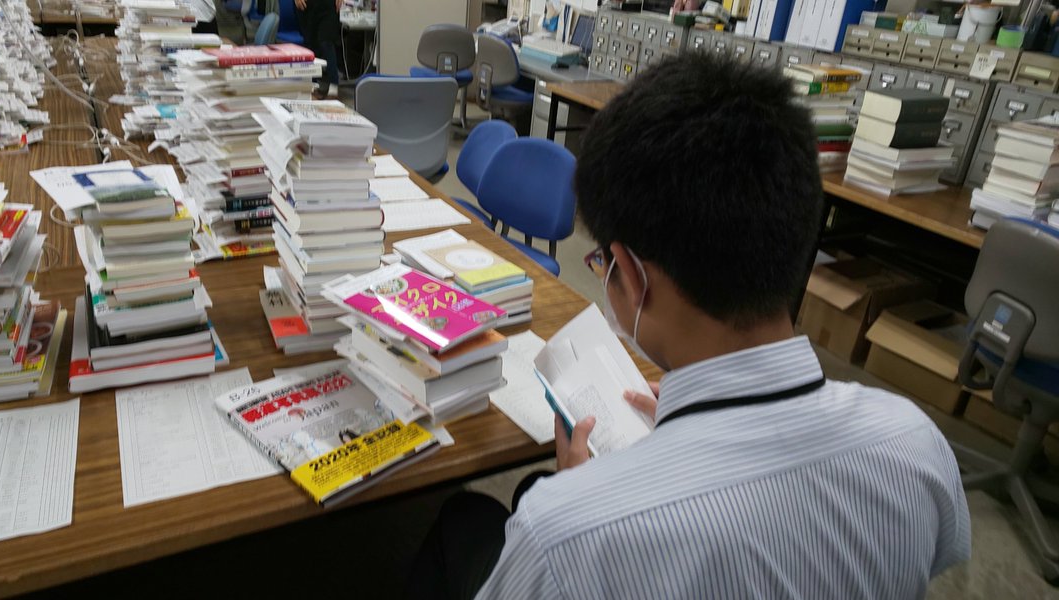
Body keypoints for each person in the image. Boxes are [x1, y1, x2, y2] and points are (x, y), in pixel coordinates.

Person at [406, 52, 971, 599]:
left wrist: (586, 495)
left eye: (602, 263)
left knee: (468, 515)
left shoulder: (565, 532)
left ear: (630, 272)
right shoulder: (914, 440)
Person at [295, 0, 341, 99]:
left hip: (328, 6)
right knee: (311, 45)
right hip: (307, 6)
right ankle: (313, 86)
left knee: (326, 42)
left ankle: (334, 86)